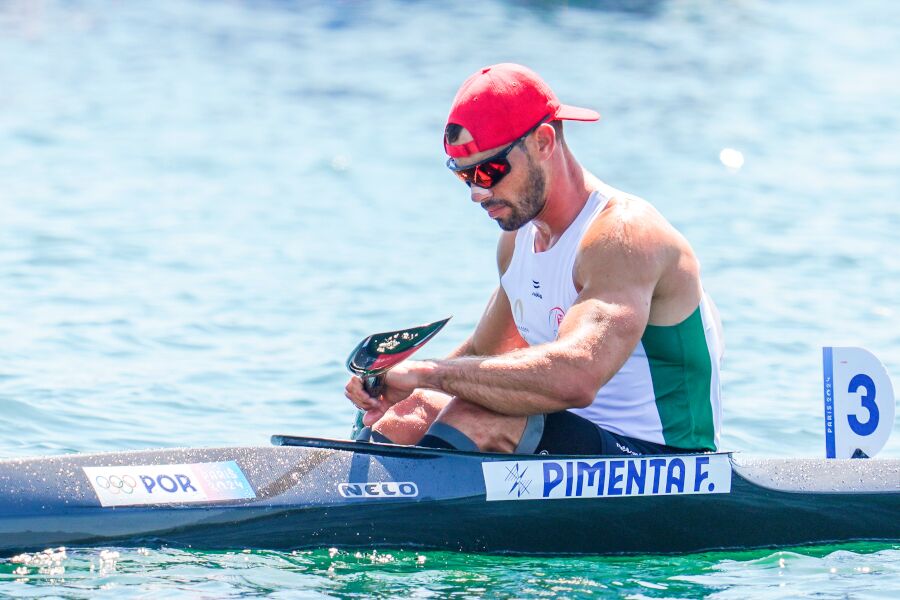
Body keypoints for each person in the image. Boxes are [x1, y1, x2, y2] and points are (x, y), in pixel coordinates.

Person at [345, 63, 724, 456]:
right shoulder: (517, 240)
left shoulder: (622, 237)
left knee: (479, 414)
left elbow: (578, 376)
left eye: (489, 170)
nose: (477, 193)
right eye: (465, 176)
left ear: (543, 142)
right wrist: (394, 388)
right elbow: (485, 355)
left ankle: (392, 507)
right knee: (414, 410)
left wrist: (426, 373)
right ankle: (353, 497)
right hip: (572, 445)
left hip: (661, 463)